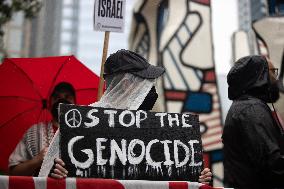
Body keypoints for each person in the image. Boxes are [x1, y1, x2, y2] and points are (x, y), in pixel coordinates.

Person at [47, 49, 212, 184]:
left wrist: (194, 178)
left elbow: (164, 177)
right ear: (127, 85)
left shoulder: (155, 129)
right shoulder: (79, 122)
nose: (151, 89)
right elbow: (45, 177)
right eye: (146, 83)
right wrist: (54, 173)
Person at [222, 55, 284, 188]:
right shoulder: (252, 109)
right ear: (260, 77)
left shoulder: (244, 106)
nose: (275, 78)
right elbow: (271, 162)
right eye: (272, 72)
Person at [8, 82, 76, 176]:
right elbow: (14, 171)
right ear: (49, 103)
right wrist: (37, 160)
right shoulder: (33, 132)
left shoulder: (84, 133)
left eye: (67, 97)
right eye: (57, 97)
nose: (62, 101)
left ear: (75, 103)